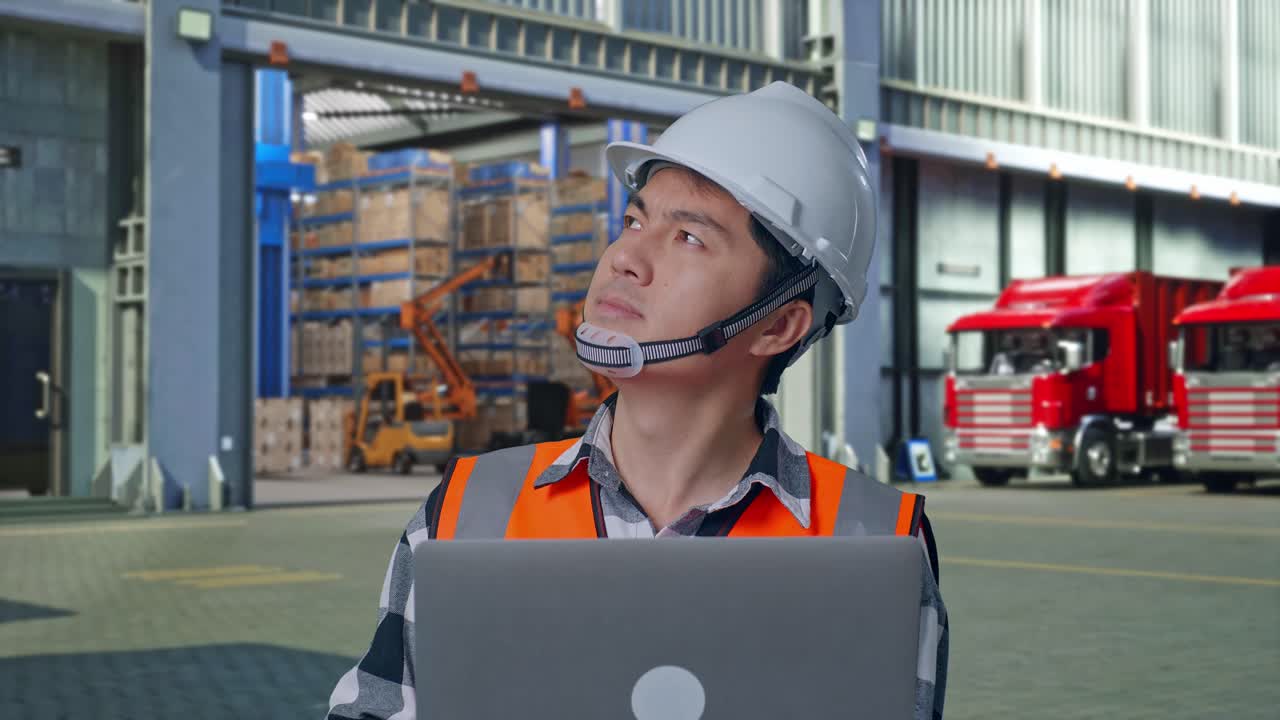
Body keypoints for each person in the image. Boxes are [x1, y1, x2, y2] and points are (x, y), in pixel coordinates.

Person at [326, 81, 949, 720]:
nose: (625, 256)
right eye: (634, 219)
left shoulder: (877, 541)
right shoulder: (465, 512)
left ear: (778, 326)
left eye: (688, 238)